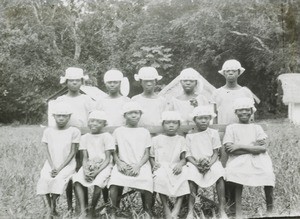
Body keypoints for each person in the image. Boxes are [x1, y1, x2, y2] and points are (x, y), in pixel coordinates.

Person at [223, 97, 275, 218]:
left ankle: (270, 210)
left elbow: (263, 148)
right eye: (241, 110)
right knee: (235, 172)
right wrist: (252, 148)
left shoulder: (256, 128)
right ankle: (238, 212)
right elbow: (230, 150)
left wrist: (239, 146)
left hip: (259, 160)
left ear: (251, 111)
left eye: (247, 109)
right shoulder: (231, 128)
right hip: (238, 160)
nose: (244, 112)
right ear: (236, 112)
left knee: (267, 173)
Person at [54, 67, 95, 212]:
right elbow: (55, 120)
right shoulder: (61, 100)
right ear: (66, 82)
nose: (74, 83)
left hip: (83, 140)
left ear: (82, 82)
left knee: (81, 171)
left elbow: (92, 120)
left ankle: (82, 205)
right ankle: (70, 205)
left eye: (77, 80)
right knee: (67, 172)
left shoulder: (87, 99)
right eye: (71, 80)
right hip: (65, 141)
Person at [108, 101, 153, 218]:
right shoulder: (118, 131)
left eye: (137, 113)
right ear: (125, 115)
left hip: (141, 164)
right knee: (113, 183)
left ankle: (147, 211)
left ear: (140, 115)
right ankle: (113, 210)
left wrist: (138, 166)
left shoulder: (144, 132)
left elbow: (147, 153)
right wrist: (119, 163)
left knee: (148, 180)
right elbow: (114, 151)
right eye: (130, 113)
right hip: (123, 164)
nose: (134, 116)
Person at [37, 102, 80, 217]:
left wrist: (59, 168)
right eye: (58, 115)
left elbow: (72, 152)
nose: (61, 118)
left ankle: (52, 209)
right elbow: (47, 151)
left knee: (59, 178)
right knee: (45, 177)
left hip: (67, 164)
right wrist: (52, 167)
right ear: (54, 116)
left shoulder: (74, 131)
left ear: (69, 117)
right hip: (51, 164)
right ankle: (51, 208)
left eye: (64, 116)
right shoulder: (48, 131)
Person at [185, 106, 226, 218]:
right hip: (194, 163)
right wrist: (196, 164)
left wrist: (210, 164)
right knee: (191, 174)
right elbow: (188, 154)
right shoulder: (190, 135)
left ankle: (222, 210)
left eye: (206, 118)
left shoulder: (213, 133)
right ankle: (190, 210)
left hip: (211, 162)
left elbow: (215, 153)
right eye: (200, 118)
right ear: (194, 120)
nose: (203, 121)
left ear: (210, 119)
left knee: (219, 172)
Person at [72, 110, 115, 217]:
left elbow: (107, 159)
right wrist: (85, 169)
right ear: (88, 122)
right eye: (92, 121)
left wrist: (96, 172)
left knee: (98, 183)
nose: (94, 124)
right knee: (77, 180)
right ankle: (83, 210)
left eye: (99, 122)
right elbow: (85, 157)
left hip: (104, 166)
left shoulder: (107, 136)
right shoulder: (85, 137)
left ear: (104, 124)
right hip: (89, 165)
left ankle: (92, 208)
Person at [150, 111, 190, 218]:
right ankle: (165, 207)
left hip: (176, 165)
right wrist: (154, 164)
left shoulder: (181, 139)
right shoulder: (156, 139)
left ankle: (177, 206)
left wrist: (180, 165)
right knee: (159, 176)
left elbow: (184, 158)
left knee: (184, 174)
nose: (171, 125)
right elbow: (152, 156)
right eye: (168, 123)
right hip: (162, 165)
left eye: (174, 123)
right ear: (163, 124)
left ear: (178, 125)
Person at [211, 60, 255, 125]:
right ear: (224, 73)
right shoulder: (217, 93)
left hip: (241, 130)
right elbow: (214, 116)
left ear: (239, 72)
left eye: (234, 71)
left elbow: (251, 115)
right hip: (223, 130)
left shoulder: (246, 92)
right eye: (227, 71)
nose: (230, 73)